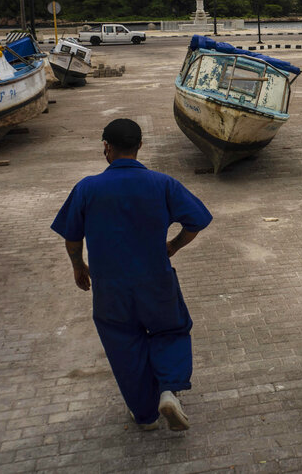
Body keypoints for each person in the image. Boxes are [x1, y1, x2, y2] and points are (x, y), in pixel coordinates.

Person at [51, 118, 213, 430]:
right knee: (170, 330)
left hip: (110, 286)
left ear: (106, 148)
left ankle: (145, 414)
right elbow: (197, 220)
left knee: (124, 343)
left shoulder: (87, 188)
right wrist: (174, 246)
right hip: (156, 279)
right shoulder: (162, 183)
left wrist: (78, 266)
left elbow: (72, 236)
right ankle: (168, 388)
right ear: (140, 146)